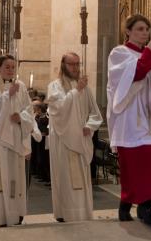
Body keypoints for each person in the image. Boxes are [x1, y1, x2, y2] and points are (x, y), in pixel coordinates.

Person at [107, 14, 151, 225]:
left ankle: (132, 206)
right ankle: (139, 207)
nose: (145, 33)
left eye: (147, 29)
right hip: (126, 118)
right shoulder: (118, 53)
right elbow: (136, 74)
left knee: (147, 164)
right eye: (140, 29)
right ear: (128, 31)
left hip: (144, 117)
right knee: (132, 166)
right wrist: (150, 49)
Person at [0, 55, 41, 227]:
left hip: (15, 140)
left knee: (15, 177)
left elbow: (28, 110)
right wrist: (6, 95)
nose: (10, 70)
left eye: (13, 67)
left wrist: (21, 118)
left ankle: (16, 214)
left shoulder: (21, 87)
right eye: (7, 66)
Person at [47, 52, 103, 222]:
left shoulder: (84, 89)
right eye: (72, 64)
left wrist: (89, 126)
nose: (75, 68)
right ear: (63, 65)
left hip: (80, 139)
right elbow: (59, 110)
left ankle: (82, 213)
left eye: (78, 64)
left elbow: (95, 114)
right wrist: (75, 91)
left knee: (81, 181)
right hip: (63, 140)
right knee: (65, 178)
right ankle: (64, 213)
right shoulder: (55, 86)